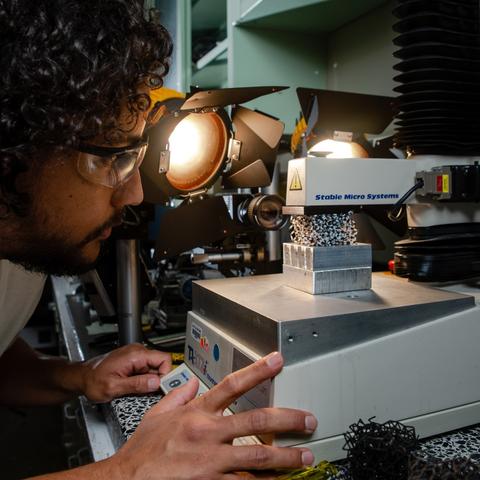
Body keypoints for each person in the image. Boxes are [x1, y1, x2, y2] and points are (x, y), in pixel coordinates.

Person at [0, 0, 318, 478]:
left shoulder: (25, 242)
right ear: (15, 153)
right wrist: (127, 471)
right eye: (112, 159)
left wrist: (79, 375)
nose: (135, 192)